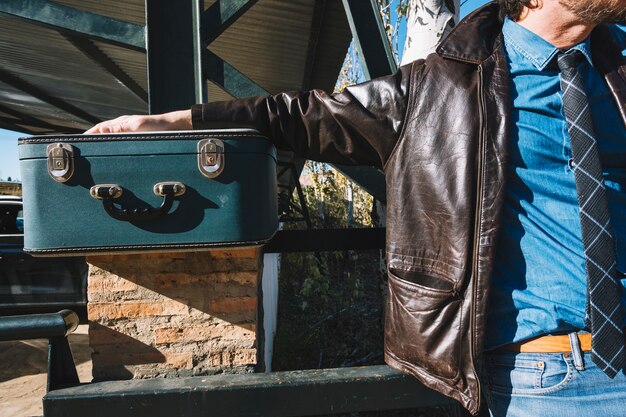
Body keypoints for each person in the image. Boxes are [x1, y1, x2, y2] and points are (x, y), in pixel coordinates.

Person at [86, 1, 626, 416]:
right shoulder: (438, 90)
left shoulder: (615, 75)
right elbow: (298, 116)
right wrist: (171, 122)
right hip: (552, 377)